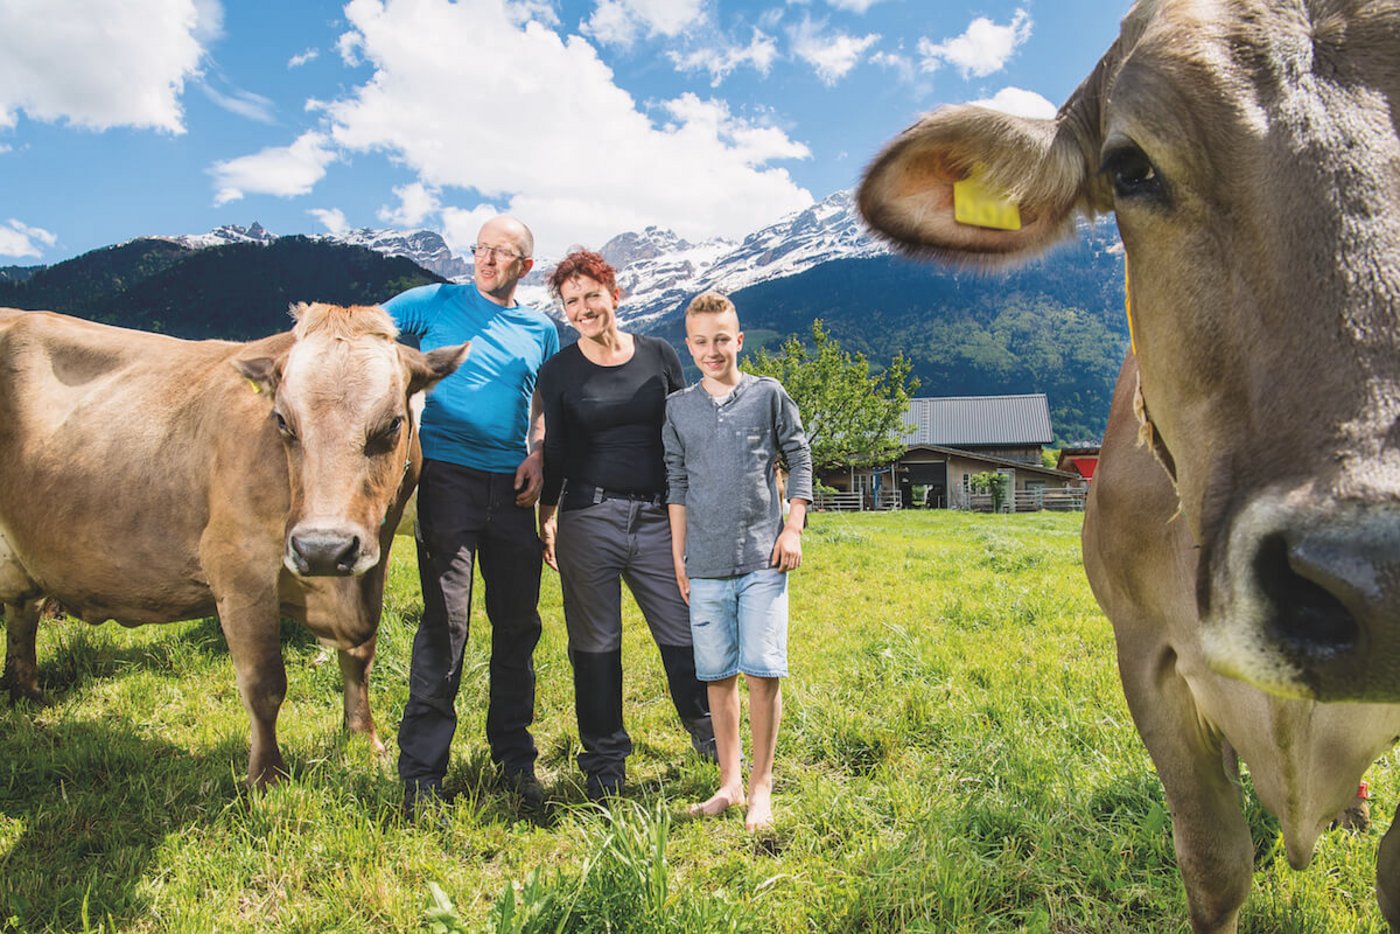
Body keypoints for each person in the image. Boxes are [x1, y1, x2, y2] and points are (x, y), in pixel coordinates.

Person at [383, 215, 559, 816]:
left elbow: (541, 403)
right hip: (448, 481)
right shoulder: (431, 302)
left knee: (518, 627)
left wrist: (538, 452)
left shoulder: (541, 330)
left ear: (524, 266)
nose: (485, 261)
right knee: (445, 627)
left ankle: (514, 761)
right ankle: (420, 777)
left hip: (513, 491)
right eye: (480, 249)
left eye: (500, 252)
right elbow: (363, 332)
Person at [535, 249, 715, 801]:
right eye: (573, 302)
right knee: (594, 644)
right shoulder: (559, 371)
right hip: (588, 518)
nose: (585, 308)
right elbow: (556, 449)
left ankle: (712, 740)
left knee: (684, 631)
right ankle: (605, 765)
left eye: (593, 295)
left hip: (661, 518)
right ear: (565, 312)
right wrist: (547, 515)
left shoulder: (660, 356)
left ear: (616, 294)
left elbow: (685, 433)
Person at [663, 291, 812, 832]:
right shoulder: (677, 409)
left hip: (762, 559)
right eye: (701, 342)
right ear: (689, 346)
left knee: (762, 671)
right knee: (718, 675)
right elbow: (676, 484)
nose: (712, 350)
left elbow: (799, 456)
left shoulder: (768, 395)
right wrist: (679, 555)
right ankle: (727, 783)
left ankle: (761, 789)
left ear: (739, 340)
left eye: (722, 339)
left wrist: (792, 525)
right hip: (702, 562)